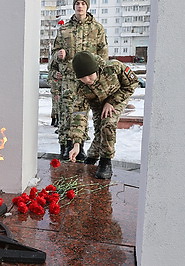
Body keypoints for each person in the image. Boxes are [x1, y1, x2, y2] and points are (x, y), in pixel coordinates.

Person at [50, 0, 108, 161]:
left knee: (82, 112)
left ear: (87, 6)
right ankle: (65, 145)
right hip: (68, 78)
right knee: (66, 113)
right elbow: (54, 54)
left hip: (87, 79)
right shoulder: (64, 29)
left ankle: (79, 145)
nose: (80, 6)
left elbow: (103, 54)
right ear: (74, 6)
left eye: (83, 3)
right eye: (77, 3)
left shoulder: (97, 29)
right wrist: (59, 55)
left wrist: (99, 77)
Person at [68, 51, 139, 179]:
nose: (87, 80)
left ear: (97, 69)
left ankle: (106, 162)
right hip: (98, 105)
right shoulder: (80, 88)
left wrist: (111, 102)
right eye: (83, 78)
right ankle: (92, 155)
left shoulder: (113, 67)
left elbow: (132, 84)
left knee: (108, 124)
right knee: (99, 131)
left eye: (90, 75)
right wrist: (77, 143)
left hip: (117, 99)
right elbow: (79, 114)